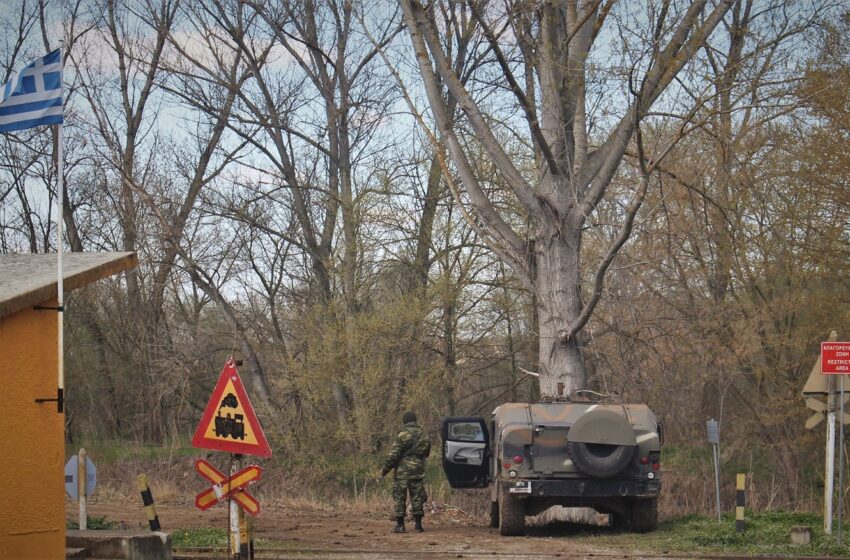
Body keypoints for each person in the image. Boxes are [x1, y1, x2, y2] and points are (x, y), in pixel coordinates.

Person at [380, 410, 431, 533]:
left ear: (405, 421)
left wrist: (384, 470)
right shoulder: (423, 434)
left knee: (400, 496)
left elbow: (393, 455)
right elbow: (427, 452)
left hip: (403, 472)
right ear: (415, 420)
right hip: (417, 470)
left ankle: (400, 525)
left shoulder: (402, 435)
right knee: (417, 497)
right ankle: (418, 525)